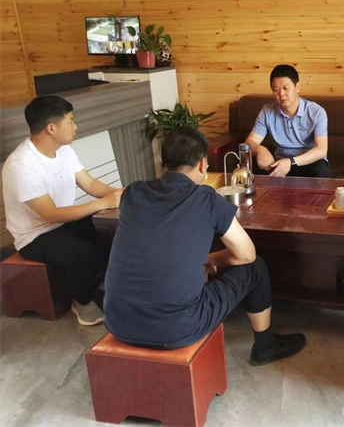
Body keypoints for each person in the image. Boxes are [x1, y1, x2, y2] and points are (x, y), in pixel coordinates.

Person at [103, 127, 306, 365]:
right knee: (255, 267)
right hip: (176, 329)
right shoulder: (207, 199)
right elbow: (247, 254)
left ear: (161, 161)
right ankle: (266, 346)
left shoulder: (132, 193)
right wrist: (210, 260)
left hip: (118, 321)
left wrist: (205, 260)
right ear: (202, 164)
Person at [2, 95, 122, 326]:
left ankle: (97, 284)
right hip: (35, 236)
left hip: (64, 223)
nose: (75, 127)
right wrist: (103, 203)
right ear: (51, 128)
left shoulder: (64, 150)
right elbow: (50, 215)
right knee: (83, 253)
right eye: (71, 121)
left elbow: (89, 183)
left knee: (111, 230)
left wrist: (119, 194)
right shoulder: (21, 165)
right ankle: (82, 301)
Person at [244, 64, 334, 178]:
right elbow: (249, 142)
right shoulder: (267, 111)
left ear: (297, 87)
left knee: (322, 170)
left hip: (309, 162)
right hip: (280, 163)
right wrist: (260, 150)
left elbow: (321, 150)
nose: (281, 94)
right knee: (249, 169)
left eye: (286, 88)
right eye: (276, 90)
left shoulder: (316, 112)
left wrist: (291, 162)